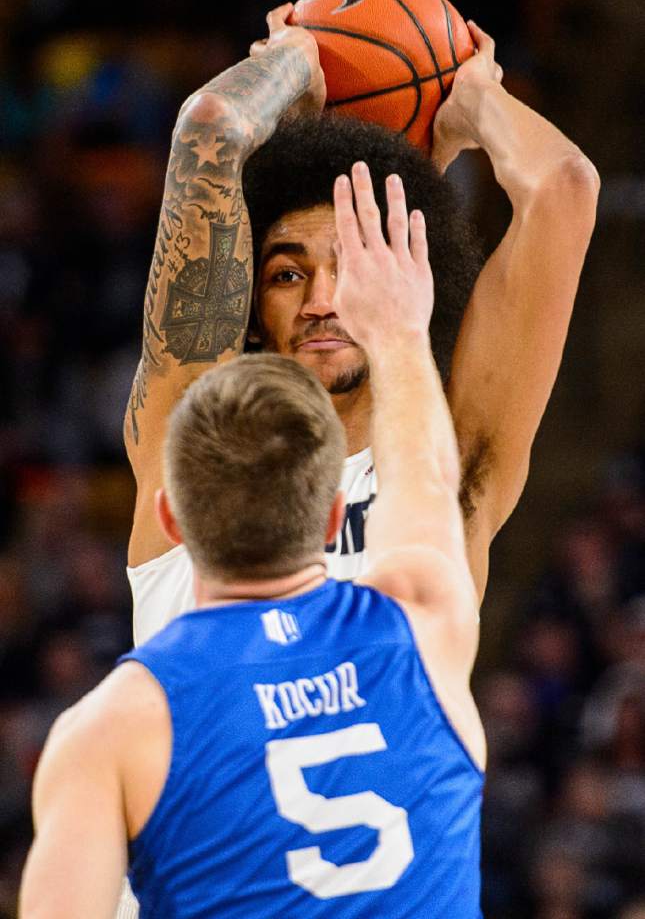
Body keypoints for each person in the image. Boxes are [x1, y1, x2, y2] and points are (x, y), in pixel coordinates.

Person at [20, 166, 485, 917]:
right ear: (335, 516)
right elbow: (426, 478)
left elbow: (208, 120)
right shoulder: (423, 621)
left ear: (171, 519)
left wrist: (270, 75)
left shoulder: (112, 728)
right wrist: (399, 332)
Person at [123, 3, 599, 646]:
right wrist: (289, 63)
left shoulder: (448, 468)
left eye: (353, 268)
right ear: (251, 313)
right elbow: (212, 131)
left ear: (402, 286)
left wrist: (475, 97)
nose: (323, 298)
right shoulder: (192, 452)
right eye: (287, 275)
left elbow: (563, 187)